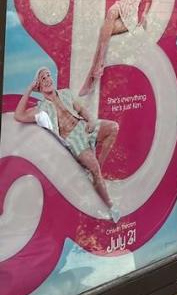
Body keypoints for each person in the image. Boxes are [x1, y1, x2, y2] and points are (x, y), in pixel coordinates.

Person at [14, 67, 121, 221]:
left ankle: (98, 170)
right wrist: (29, 89)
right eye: (43, 78)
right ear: (38, 86)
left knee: (113, 128)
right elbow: (19, 115)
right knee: (94, 168)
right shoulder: (40, 109)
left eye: (48, 75)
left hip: (84, 126)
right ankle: (111, 208)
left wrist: (90, 120)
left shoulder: (66, 93)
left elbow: (82, 110)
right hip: (72, 139)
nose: (48, 79)